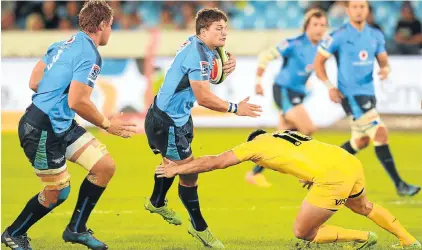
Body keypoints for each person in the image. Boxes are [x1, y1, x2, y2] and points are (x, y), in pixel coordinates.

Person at [1, 1, 137, 250]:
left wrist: (53, 97)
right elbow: (77, 100)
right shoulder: (90, 54)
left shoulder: (63, 44)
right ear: (103, 24)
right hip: (42, 128)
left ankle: (76, 229)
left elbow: (34, 82)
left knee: (104, 167)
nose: (110, 31)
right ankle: (13, 233)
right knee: (58, 192)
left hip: (59, 123)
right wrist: (107, 124)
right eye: (111, 26)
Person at [156, 129, 421, 249]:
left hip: (332, 177)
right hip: (348, 161)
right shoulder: (285, 134)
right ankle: (408, 240)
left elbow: (215, 162)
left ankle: (363, 239)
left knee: (303, 232)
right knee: (363, 206)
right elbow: (307, 153)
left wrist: (177, 169)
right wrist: (309, 175)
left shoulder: (254, 146)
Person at [144, 8, 261, 249]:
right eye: (219, 28)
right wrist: (235, 108)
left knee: (174, 167)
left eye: (225, 29)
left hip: (176, 118)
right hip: (166, 122)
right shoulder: (197, 55)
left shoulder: (197, 44)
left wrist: (224, 69)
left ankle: (156, 202)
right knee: (189, 172)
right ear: (203, 30)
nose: (225, 33)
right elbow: (204, 97)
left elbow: (205, 74)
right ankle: (200, 229)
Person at [313, 0, 420, 197]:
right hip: (350, 96)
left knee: (360, 141)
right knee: (380, 133)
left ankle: (320, 172)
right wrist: (329, 87)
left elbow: (383, 60)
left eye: (362, 7)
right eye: (355, 7)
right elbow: (318, 63)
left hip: (368, 93)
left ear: (368, 10)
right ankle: (400, 184)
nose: (359, 10)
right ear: (348, 10)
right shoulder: (338, 36)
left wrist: (385, 69)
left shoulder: (375, 35)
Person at [246, 9, 327, 187]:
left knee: (280, 138)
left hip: (297, 93)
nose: (319, 29)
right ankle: (305, 174)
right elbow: (266, 56)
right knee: (308, 127)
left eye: (322, 25)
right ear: (307, 26)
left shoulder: (322, 48)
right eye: (315, 25)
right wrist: (258, 81)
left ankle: (254, 171)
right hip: (283, 90)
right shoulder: (294, 43)